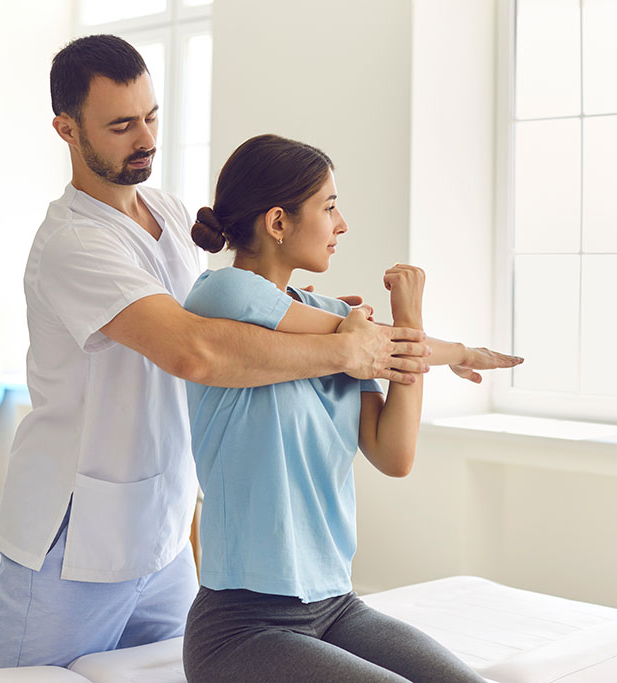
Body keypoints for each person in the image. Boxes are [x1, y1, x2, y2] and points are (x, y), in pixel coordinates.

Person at [0, 34, 440, 669]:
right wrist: (346, 350)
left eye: (151, 116)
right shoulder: (75, 242)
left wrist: (350, 325)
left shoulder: (170, 216)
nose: (145, 137)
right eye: (121, 125)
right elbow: (195, 352)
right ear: (66, 129)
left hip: (165, 535)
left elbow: (246, 312)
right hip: (70, 542)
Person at [181, 134, 523, 682]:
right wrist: (423, 340)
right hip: (242, 625)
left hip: (337, 607)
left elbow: (394, 455)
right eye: (330, 207)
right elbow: (376, 341)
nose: (342, 225)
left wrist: (409, 328)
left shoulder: (345, 326)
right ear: (277, 222)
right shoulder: (219, 297)